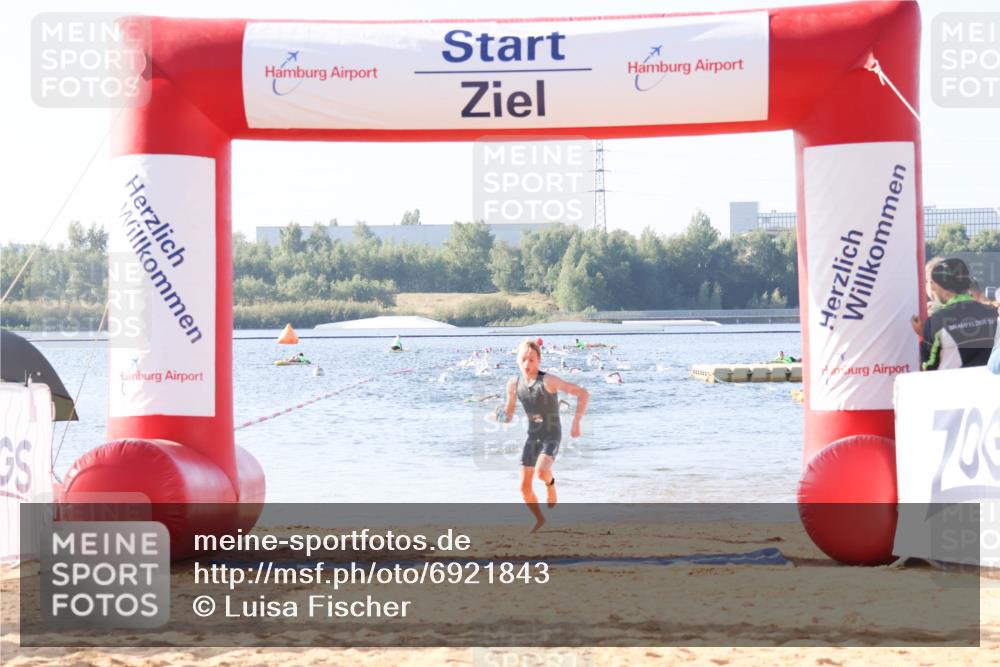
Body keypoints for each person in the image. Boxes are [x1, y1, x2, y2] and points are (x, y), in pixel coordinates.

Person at [500, 339, 589, 532]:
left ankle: (551, 484)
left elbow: (583, 393)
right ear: (517, 360)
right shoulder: (514, 384)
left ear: (539, 360)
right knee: (524, 488)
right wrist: (497, 415)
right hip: (532, 437)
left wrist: (576, 422)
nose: (527, 364)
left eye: (531, 360)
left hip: (551, 434)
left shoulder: (548, 381)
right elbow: (507, 416)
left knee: (541, 472)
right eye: (523, 359)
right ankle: (539, 519)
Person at [911, 257, 999, 370]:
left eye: (932, 282)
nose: (931, 287)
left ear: (938, 284)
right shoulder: (993, 314)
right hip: (990, 386)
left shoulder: (936, 322)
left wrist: (925, 337)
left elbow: (928, 367)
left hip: (952, 386)